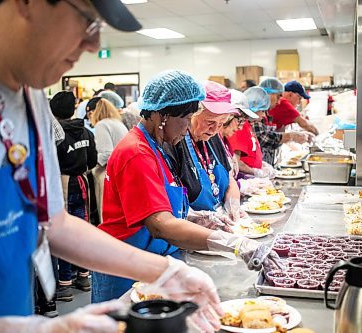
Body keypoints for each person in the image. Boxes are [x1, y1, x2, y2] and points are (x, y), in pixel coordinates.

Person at [0, 1, 224, 332]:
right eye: (88, 20)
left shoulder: (31, 93)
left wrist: (165, 271)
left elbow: (54, 221)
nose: (94, 44)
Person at [95, 70, 282, 304]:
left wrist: (194, 217)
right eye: (186, 119)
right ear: (163, 115)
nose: (187, 129)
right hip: (126, 270)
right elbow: (159, 225)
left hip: (154, 262)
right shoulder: (137, 153)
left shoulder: (159, 146)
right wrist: (235, 244)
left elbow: (160, 202)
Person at [167, 81, 245, 224]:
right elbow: (171, 205)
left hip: (221, 223)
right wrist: (202, 219)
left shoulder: (214, 138)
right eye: (210, 122)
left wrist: (232, 206)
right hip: (192, 233)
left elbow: (229, 179)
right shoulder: (175, 142)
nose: (215, 129)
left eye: (221, 123)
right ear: (192, 114)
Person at [50, 91, 96, 301]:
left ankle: (64, 284)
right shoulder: (86, 132)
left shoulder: (55, 135)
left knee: (63, 233)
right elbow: (93, 161)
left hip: (63, 184)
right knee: (83, 231)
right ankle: (84, 276)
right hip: (83, 183)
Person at [246, 86, 313, 165]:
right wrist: (290, 136)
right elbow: (262, 138)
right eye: (278, 97)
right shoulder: (252, 120)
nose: (279, 102)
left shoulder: (262, 115)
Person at [88, 98, 128, 224]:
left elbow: (106, 153)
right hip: (122, 172)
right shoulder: (118, 123)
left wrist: (89, 167)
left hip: (107, 174)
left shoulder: (101, 125)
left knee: (105, 216)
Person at [227, 89, 276, 179]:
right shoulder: (239, 127)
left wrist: (262, 165)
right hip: (244, 179)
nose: (264, 115)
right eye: (262, 111)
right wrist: (255, 171)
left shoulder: (247, 125)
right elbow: (236, 162)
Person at [218, 89, 259, 179]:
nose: (240, 127)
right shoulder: (213, 142)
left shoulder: (224, 142)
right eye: (240, 121)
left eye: (243, 122)